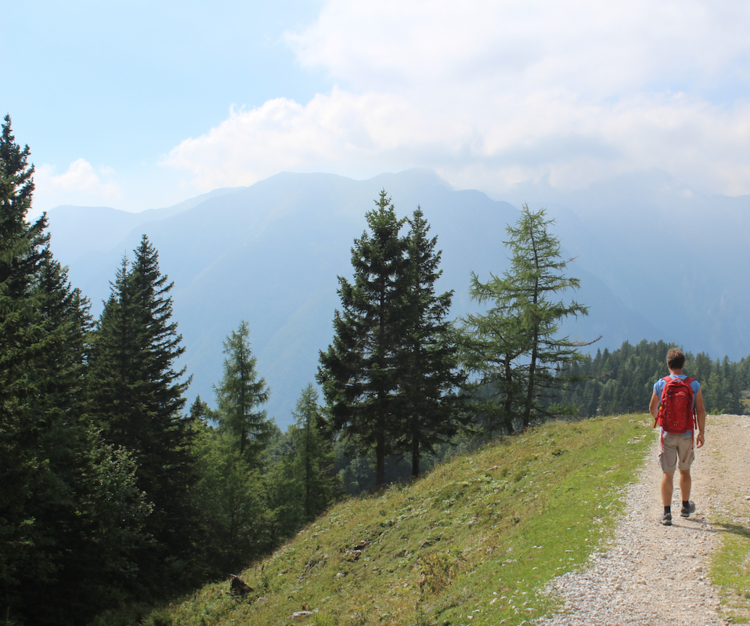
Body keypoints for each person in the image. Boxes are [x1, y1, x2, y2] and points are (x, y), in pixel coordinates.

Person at [649, 348, 706, 526]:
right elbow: (700, 411)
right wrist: (701, 432)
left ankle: (666, 514)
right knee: (685, 470)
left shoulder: (660, 384)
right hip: (687, 434)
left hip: (667, 434)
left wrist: (661, 420)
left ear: (668, 364)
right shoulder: (693, 385)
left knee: (668, 473)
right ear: (683, 364)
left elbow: (652, 407)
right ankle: (685, 507)